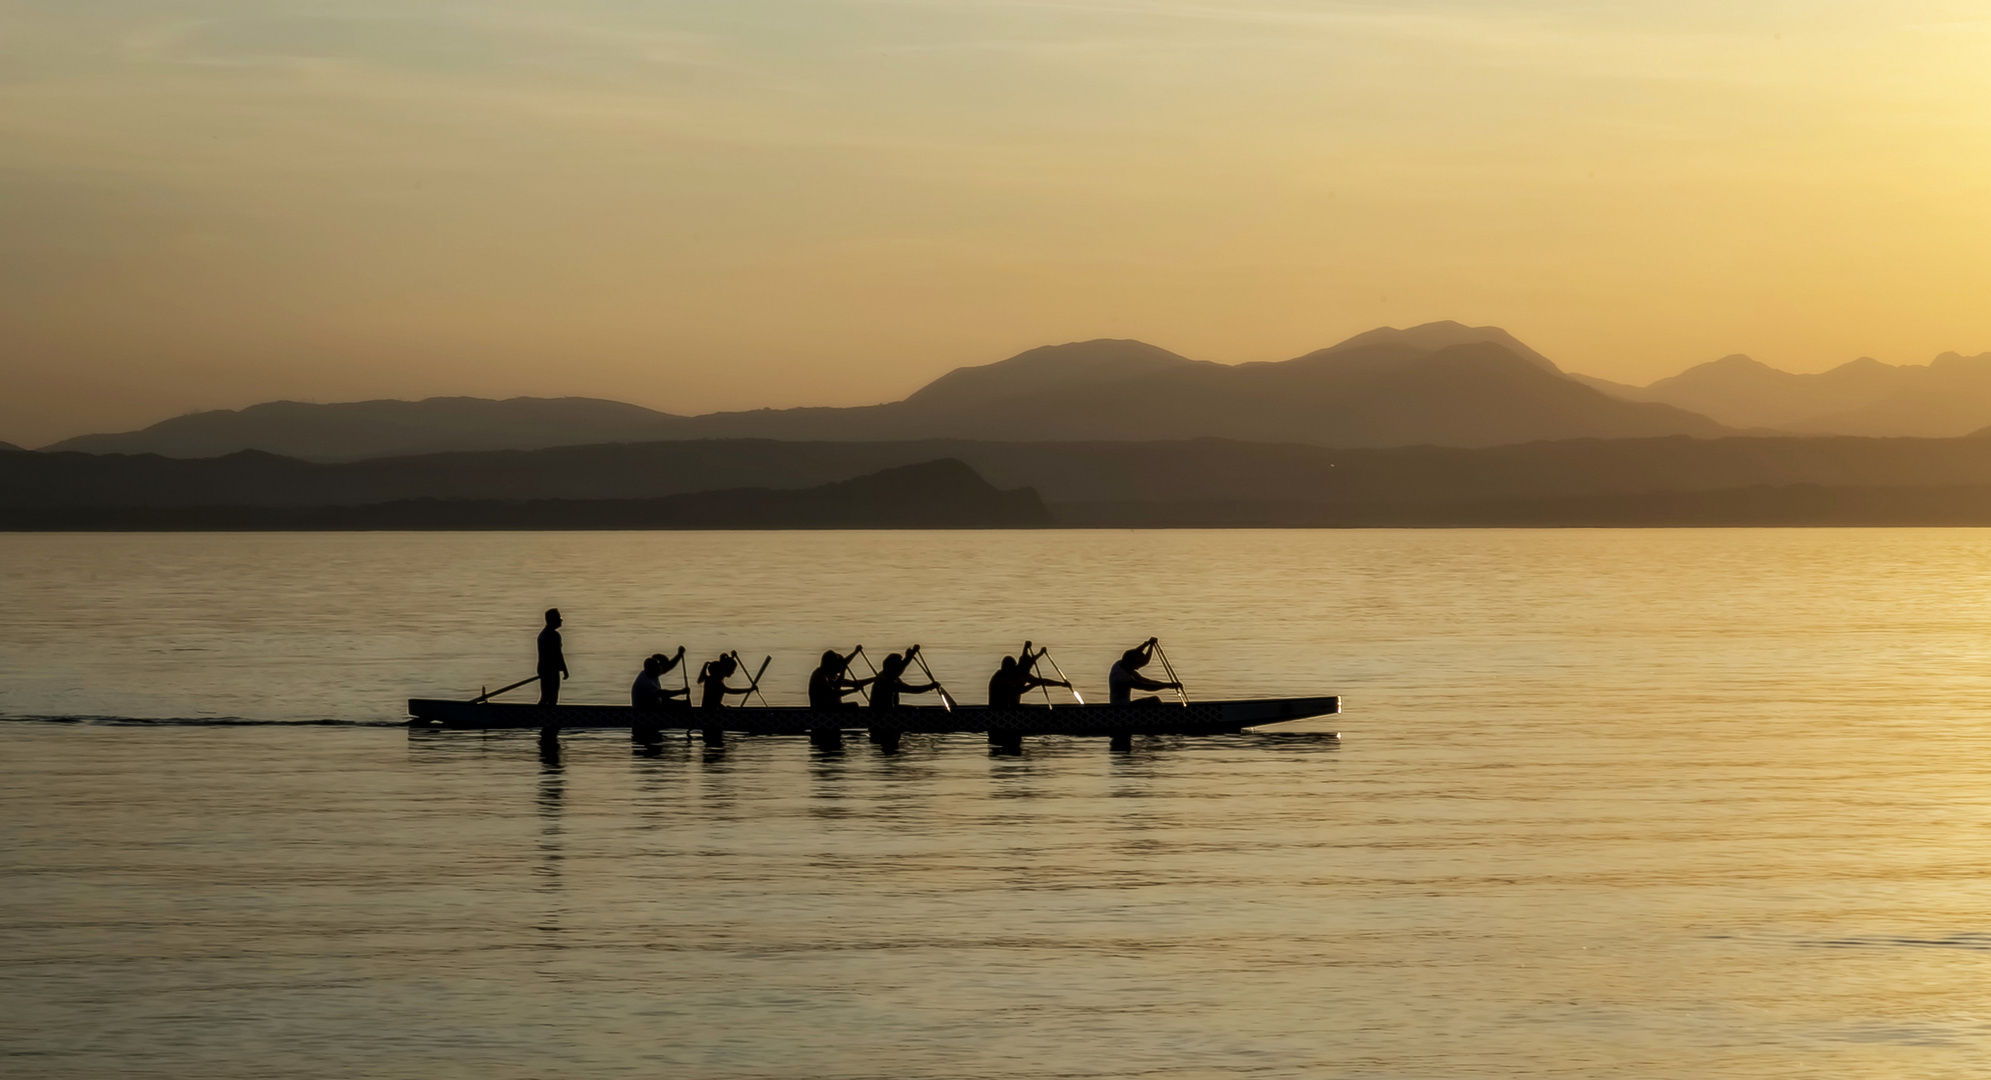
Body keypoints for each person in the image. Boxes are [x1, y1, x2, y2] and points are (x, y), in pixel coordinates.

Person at [988, 641, 1070, 708]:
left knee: (1039, 708)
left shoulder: (1019, 673)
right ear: (1007, 668)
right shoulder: (999, 679)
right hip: (998, 711)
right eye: (1013, 668)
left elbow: (1042, 681)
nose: (1015, 669)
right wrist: (1033, 685)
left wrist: (1062, 684)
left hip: (1012, 708)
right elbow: (1017, 691)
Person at [1109, 638, 1181, 705]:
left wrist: (1149, 645)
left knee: (1154, 700)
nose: (1137, 669)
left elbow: (1146, 680)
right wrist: (1168, 685)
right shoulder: (1121, 677)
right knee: (1154, 700)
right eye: (1137, 666)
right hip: (1121, 708)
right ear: (1132, 663)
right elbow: (1146, 686)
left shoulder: (1120, 664)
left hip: (1124, 705)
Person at [869, 648, 943, 709]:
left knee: (914, 709)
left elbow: (902, 665)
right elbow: (911, 689)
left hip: (890, 710)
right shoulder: (886, 681)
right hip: (882, 714)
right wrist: (930, 686)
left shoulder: (892, 676)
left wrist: (910, 655)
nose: (901, 670)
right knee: (914, 710)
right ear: (892, 668)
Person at [808, 647, 874, 710]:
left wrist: (875, 679)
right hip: (822, 712)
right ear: (830, 664)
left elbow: (854, 683)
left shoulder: (830, 676)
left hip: (830, 710)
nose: (838, 671)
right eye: (836, 666)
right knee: (854, 706)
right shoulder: (819, 677)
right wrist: (853, 690)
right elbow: (834, 693)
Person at [537, 608, 569, 707]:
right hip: (551, 670)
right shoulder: (553, 635)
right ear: (552, 620)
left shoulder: (543, 634)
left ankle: (541, 716)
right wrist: (565, 669)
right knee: (551, 698)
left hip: (543, 669)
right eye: (559, 618)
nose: (561, 620)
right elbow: (558, 654)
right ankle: (547, 717)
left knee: (545, 696)